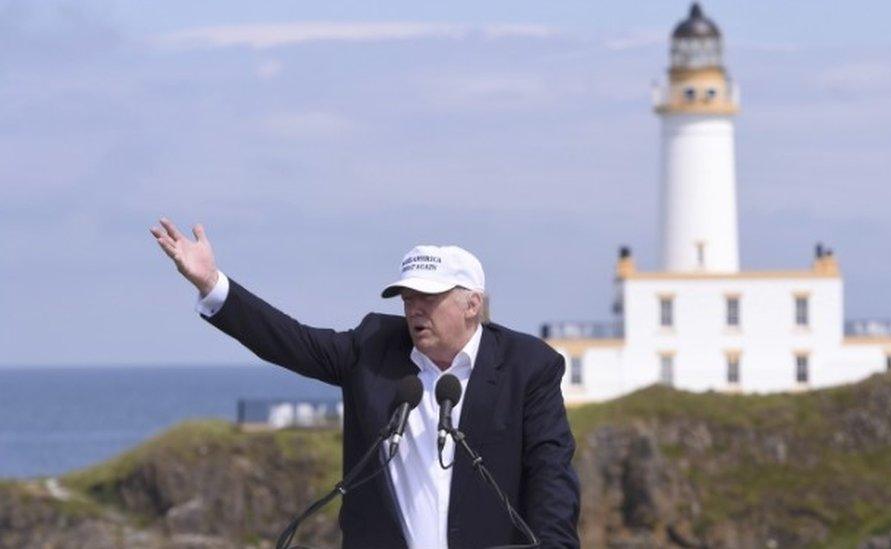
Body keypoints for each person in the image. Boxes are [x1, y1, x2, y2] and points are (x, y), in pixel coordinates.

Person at [149, 218, 580, 548]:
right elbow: (290, 341)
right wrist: (212, 284)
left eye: (428, 297)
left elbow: (551, 474)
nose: (414, 310)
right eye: (407, 298)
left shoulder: (528, 366)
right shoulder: (372, 349)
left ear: (472, 304)